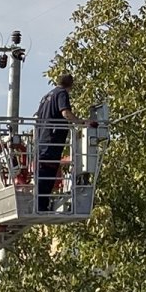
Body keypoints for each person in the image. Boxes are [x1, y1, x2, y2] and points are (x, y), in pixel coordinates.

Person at [34, 74, 95, 211]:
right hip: (52, 140)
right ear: (71, 85)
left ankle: (41, 204)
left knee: (43, 170)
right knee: (48, 171)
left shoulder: (46, 96)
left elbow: (37, 117)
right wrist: (82, 122)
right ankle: (41, 206)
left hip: (42, 140)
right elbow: (65, 113)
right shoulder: (62, 93)